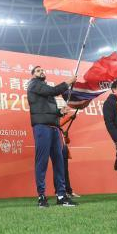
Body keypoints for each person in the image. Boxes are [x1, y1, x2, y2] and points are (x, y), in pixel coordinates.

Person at [27, 66, 78, 207]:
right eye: (38, 71)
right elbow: (54, 90)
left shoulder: (45, 90)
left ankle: (61, 196)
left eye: (42, 70)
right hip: (42, 127)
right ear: (33, 75)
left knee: (59, 162)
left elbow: (48, 109)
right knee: (42, 162)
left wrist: (60, 112)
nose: (41, 72)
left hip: (54, 128)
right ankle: (41, 196)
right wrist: (68, 82)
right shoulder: (34, 85)